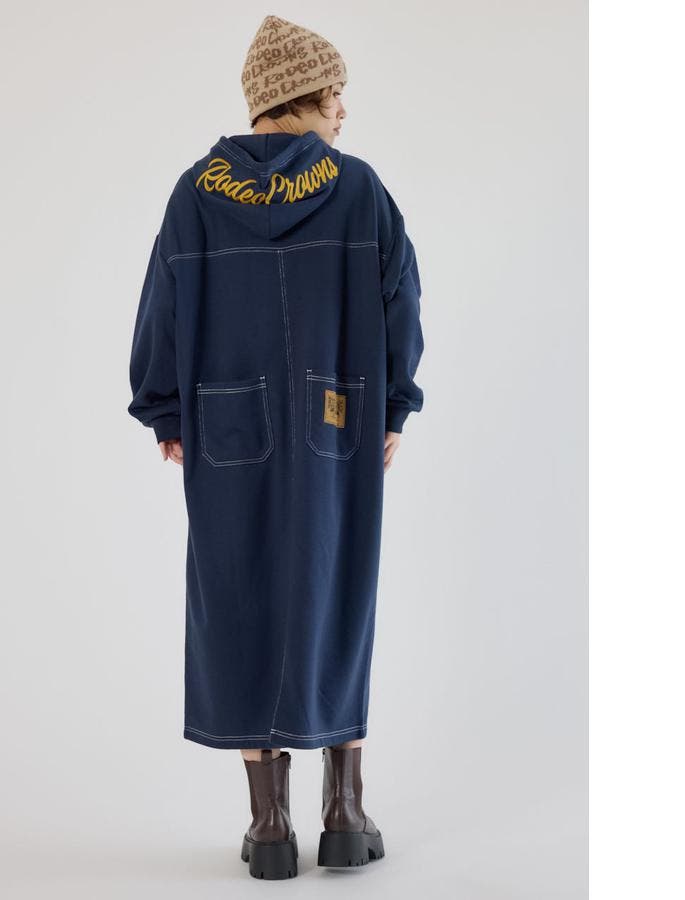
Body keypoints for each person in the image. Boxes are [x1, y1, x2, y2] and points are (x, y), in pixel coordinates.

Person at [127, 14, 424, 880]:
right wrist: (393, 406)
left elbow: (162, 306)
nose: (344, 112)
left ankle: (267, 829)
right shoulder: (358, 190)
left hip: (225, 426)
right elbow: (401, 298)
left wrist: (167, 411)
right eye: (336, 96)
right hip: (340, 417)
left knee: (238, 595)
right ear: (304, 96)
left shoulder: (195, 193)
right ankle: (345, 812)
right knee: (338, 590)